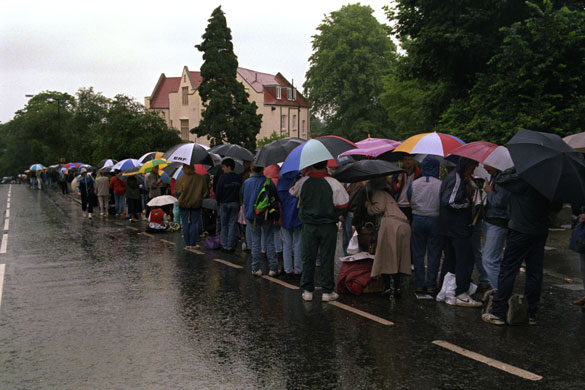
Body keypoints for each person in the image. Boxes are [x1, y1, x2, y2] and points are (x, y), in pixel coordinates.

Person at [482, 168, 562, 325]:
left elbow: (503, 182)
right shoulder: (550, 180)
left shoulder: (521, 178)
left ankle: (498, 311)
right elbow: (556, 206)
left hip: (519, 229)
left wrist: (517, 168)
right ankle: (531, 312)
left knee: (508, 269)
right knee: (534, 271)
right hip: (539, 230)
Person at [289, 161, 349, 302]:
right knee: (327, 257)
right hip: (328, 225)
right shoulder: (333, 183)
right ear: (325, 165)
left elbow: (292, 192)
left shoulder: (303, 181)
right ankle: (327, 291)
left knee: (308, 257)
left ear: (311, 164)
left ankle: (308, 290)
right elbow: (343, 203)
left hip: (309, 225)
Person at [438, 157, 482, 307]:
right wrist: (466, 204)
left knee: (451, 259)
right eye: (472, 167)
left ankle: (445, 290)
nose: (473, 171)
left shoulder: (455, 177)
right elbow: (449, 201)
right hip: (457, 227)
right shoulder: (456, 178)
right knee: (465, 259)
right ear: (466, 165)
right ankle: (461, 293)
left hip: (449, 227)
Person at [366, 177, 412, 299]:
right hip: (403, 225)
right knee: (397, 258)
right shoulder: (388, 194)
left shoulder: (378, 193)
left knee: (385, 257)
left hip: (390, 225)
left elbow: (379, 208)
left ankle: (387, 287)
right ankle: (397, 287)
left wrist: (368, 207)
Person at [408, 156, 443, 295]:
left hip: (417, 218)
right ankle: (431, 284)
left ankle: (419, 283)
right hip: (435, 219)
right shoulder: (440, 184)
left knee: (418, 253)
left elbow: (410, 197)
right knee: (434, 253)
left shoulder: (414, 183)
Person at [242, 165, 279, 276]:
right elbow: (275, 197)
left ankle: (256, 268)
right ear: (263, 169)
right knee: (269, 240)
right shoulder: (268, 182)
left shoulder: (247, 182)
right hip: (266, 214)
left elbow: (244, 198)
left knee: (255, 241)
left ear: (252, 170)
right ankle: (273, 268)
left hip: (252, 216)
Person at [481, 164, 511, 290]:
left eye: (487, 164)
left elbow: (500, 201)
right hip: (490, 219)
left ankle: (499, 292)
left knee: (489, 259)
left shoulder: (503, 179)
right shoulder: (494, 176)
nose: (484, 167)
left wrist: (489, 192)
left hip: (498, 221)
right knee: (492, 258)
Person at [174, 164, 207, 249]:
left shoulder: (181, 178)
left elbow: (177, 190)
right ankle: (192, 243)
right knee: (194, 223)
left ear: (185, 168)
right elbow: (204, 190)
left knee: (185, 223)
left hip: (183, 203)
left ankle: (187, 243)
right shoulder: (200, 178)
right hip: (196, 203)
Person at [277, 170, 303, 279]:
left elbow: (279, 198)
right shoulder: (300, 180)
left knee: (286, 243)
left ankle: (287, 269)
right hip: (298, 215)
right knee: (298, 243)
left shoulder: (281, 180)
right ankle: (298, 270)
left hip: (285, 214)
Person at [215, 158, 241, 252]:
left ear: (228, 167)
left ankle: (224, 245)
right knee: (232, 224)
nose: (222, 169)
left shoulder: (223, 177)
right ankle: (230, 246)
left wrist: (218, 200)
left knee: (224, 224)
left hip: (224, 203)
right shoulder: (238, 177)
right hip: (235, 203)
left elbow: (218, 191)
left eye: (223, 167)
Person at [392, 155, 421, 222]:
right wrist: (399, 183)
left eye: (410, 159)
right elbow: (392, 189)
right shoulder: (398, 173)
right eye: (405, 159)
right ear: (402, 161)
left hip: (412, 206)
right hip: (399, 205)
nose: (407, 161)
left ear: (413, 161)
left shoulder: (418, 173)